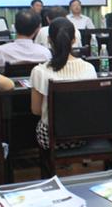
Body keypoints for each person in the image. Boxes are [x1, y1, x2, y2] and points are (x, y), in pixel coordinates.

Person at [30, 18, 97, 150]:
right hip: (84, 135)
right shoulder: (89, 68)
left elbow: (36, 110)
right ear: (74, 40)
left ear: (49, 40)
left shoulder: (39, 71)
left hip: (52, 139)